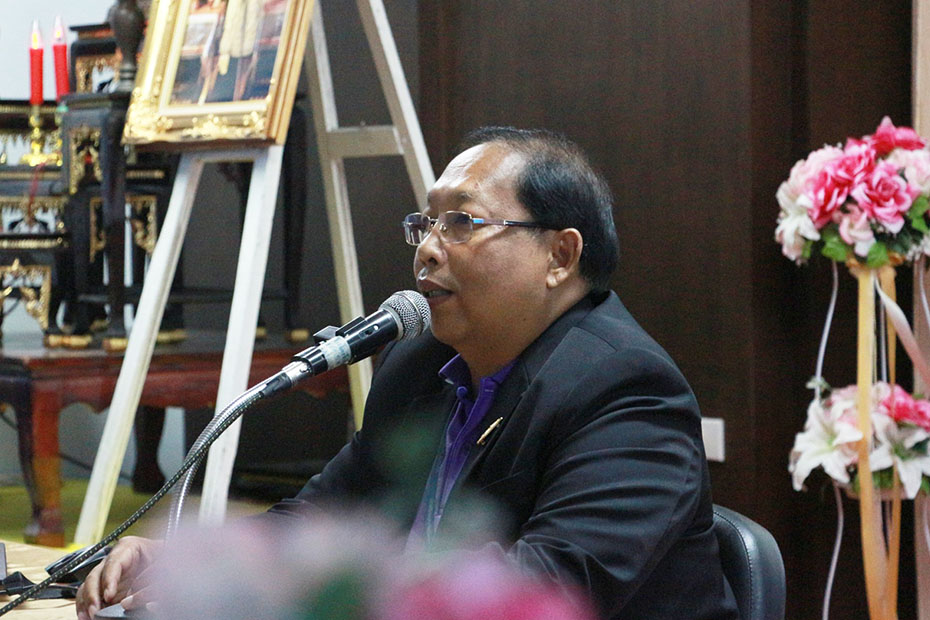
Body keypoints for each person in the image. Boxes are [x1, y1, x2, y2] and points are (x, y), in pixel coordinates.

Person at [76, 128, 738, 619]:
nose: (426, 250)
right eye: (425, 223)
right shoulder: (420, 368)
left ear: (560, 256)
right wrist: (193, 567)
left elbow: (542, 588)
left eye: (461, 223)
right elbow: (320, 517)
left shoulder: (626, 391)